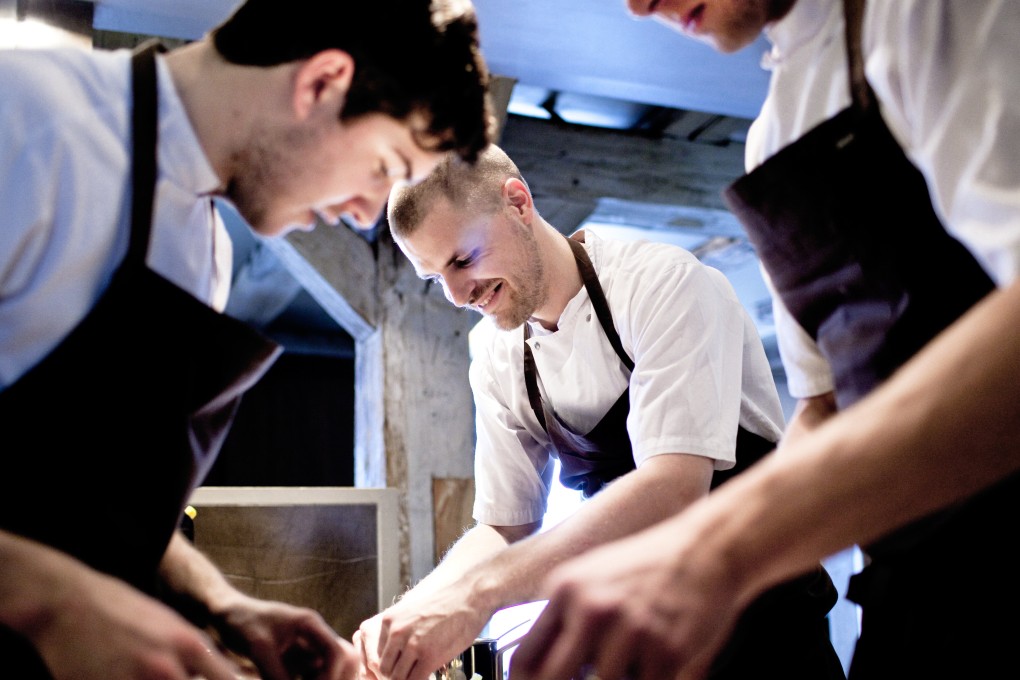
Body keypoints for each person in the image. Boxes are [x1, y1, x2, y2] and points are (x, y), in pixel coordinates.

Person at [508, 1, 1020, 679]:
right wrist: (699, 577)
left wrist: (723, 550)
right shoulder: (774, 134)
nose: (636, 6)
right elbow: (824, 408)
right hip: (912, 592)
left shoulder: (928, 13)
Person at [0, 0, 493, 677]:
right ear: (322, 83)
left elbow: (79, 503)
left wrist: (219, 602)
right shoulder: (28, 122)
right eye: (384, 166)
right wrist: (55, 605)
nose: (363, 212)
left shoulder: (205, 254)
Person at [354, 144, 846, 680]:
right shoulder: (497, 358)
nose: (455, 295)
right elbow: (504, 526)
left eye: (463, 260)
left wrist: (478, 595)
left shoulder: (664, 285)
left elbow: (671, 490)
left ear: (517, 203)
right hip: (646, 635)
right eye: (433, 278)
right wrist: (420, 607)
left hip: (767, 625)